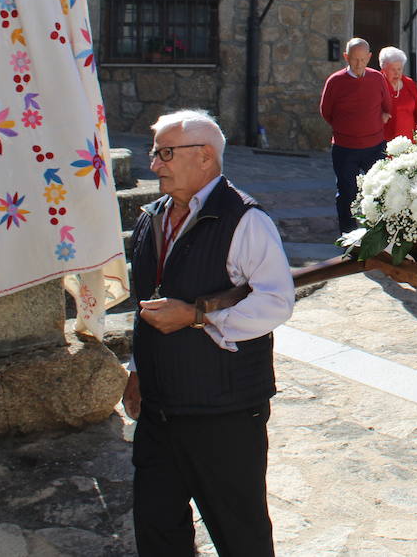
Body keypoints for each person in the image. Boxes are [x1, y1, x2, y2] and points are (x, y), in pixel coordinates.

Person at [121, 109, 296, 557]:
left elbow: (276, 301)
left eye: (164, 153)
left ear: (204, 157)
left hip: (225, 413)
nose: (154, 164)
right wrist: (138, 370)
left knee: (240, 534)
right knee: (158, 529)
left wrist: (198, 317)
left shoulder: (245, 219)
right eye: (154, 152)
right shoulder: (153, 217)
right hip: (160, 409)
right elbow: (148, 302)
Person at [319, 38, 391, 232]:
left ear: (369, 57)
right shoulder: (335, 81)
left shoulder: (377, 78)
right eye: (354, 59)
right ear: (346, 57)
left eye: (362, 59)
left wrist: (382, 117)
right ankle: (348, 238)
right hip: (345, 148)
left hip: (375, 147)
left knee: (377, 192)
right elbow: (326, 111)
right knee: (346, 194)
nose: (359, 64)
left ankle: (376, 236)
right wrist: (346, 128)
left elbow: (387, 106)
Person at [378, 45, 417, 143]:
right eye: (393, 69)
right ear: (383, 69)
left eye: (399, 69)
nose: (397, 73)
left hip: (410, 140)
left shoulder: (409, 83)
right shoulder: (377, 84)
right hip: (385, 141)